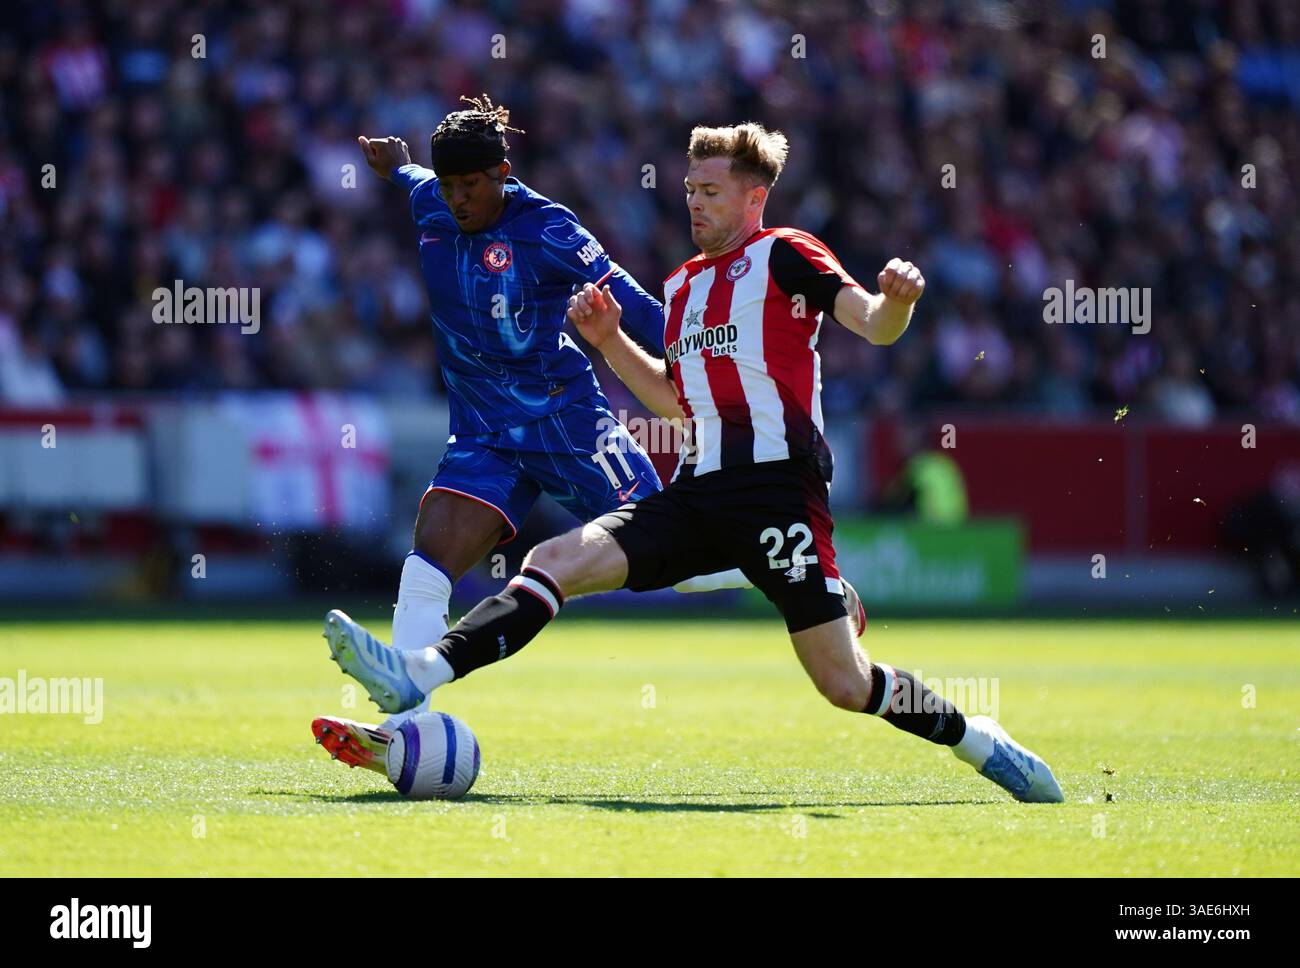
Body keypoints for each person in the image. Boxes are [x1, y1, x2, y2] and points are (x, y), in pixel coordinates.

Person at [325, 121, 1061, 803]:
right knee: (552, 560)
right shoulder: (682, 287)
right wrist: (609, 341)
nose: (695, 205)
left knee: (844, 683)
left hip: (776, 495)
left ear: (753, 197)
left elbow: (871, 322)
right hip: (696, 490)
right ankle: (418, 671)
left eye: (710, 192)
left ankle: (978, 740)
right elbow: (673, 395)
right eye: (689, 191)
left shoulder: (786, 254)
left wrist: (897, 302)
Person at [313, 98, 824, 771]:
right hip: (484, 436)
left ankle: (811, 586)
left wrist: (691, 353)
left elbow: (631, 301)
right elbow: (412, 180)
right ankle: (404, 733)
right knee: (427, 560)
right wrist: (395, 166)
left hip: (568, 424)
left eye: (471, 186)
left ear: (503, 172)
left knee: (677, 553)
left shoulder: (548, 228)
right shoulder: (430, 201)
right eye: (449, 187)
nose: (459, 200)